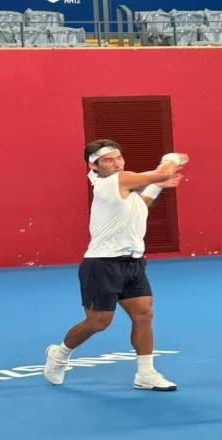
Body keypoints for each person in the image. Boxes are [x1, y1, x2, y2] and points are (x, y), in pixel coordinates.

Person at [44, 139, 189, 391]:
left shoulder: (123, 187)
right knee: (98, 322)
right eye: (109, 160)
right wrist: (172, 159)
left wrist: (156, 188)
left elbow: (140, 207)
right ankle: (59, 354)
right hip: (102, 264)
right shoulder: (115, 181)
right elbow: (163, 172)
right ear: (94, 166)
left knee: (144, 314)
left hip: (133, 262)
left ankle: (146, 374)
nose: (117, 163)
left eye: (119, 158)